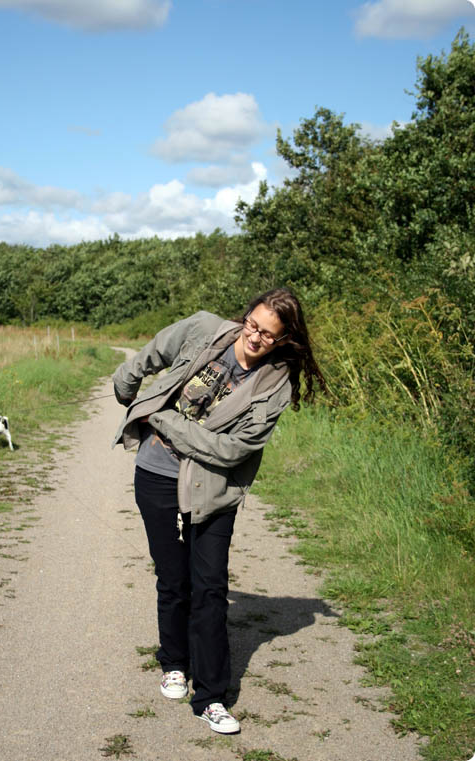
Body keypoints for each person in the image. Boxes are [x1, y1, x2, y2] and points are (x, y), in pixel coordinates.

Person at [112, 287, 325, 734]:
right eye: (252, 325)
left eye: (268, 335)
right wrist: (127, 383)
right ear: (244, 316)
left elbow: (231, 450)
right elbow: (155, 351)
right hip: (155, 474)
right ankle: (174, 663)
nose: (254, 338)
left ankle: (210, 696)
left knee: (208, 587)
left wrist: (164, 420)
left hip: (213, 489)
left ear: (283, 339)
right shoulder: (205, 328)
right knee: (172, 578)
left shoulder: (273, 386)